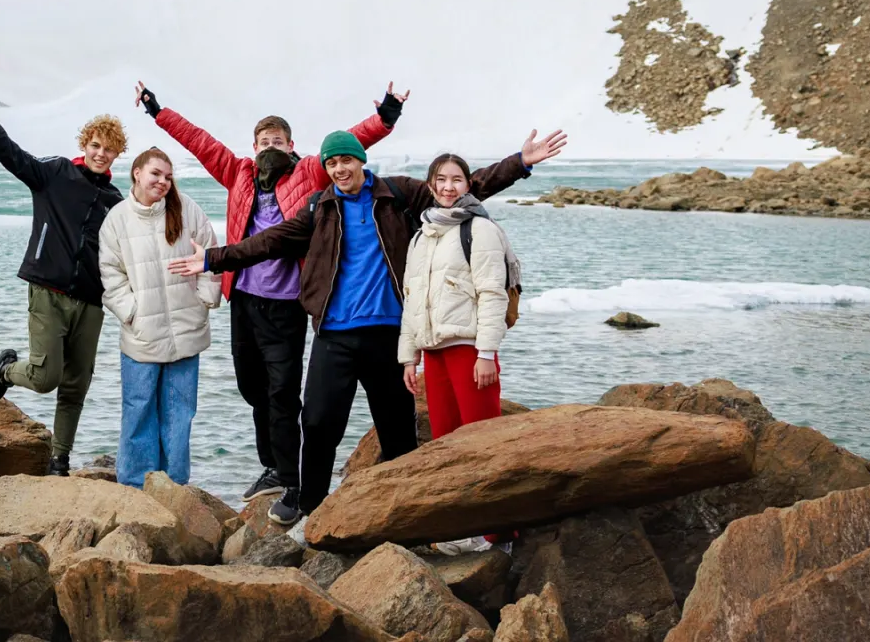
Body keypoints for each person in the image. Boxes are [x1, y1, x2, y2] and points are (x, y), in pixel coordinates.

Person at [171, 125, 566, 525]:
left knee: (396, 427)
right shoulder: (318, 208)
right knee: (319, 422)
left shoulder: (397, 195)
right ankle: (308, 503)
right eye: (332, 162)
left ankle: (409, 507)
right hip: (335, 335)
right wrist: (213, 259)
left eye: (346, 160)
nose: (340, 168)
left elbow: (460, 188)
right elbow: (268, 241)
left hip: (389, 334)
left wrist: (519, 164)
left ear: (361, 160)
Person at [135, 80, 407, 501]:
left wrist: (386, 115)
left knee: (283, 389)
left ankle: (287, 473)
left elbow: (349, 145)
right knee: (252, 387)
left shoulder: (309, 172)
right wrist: (158, 111)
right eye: (264, 141)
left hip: (287, 303)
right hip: (244, 299)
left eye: (277, 140)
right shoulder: (238, 172)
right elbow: (199, 141)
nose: (269, 146)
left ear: (291, 143)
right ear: (254, 146)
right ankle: (274, 465)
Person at [0, 82, 126, 476]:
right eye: (96, 146)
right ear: (85, 144)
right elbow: (14, 158)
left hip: (90, 301)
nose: (101, 154)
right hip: (48, 290)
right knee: (45, 377)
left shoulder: (115, 201)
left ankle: (60, 459)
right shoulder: (55, 173)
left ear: (117, 154)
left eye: (109, 149)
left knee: (76, 387)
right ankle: (6, 370)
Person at [398, 152, 522, 554]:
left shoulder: (480, 229)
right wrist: (409, 356)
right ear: (431, 185)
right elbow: (412, 299)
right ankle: (460, 529)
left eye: (457, 179)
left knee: (484, 445)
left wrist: (487, 352)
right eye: (441, 179)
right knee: (448, 447)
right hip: (434, 354)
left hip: (469, 350)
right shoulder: (422, 234)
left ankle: (499, 533)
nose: (449, 187)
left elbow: (490, 294)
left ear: (468, 185)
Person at [97, 147, 220, 487]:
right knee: (138, 411)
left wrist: (205, 300)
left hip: (186, 330)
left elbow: (210, 254)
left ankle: (174, 484)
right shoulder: (118, 219)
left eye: (168, 177)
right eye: (156, 174)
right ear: (137, 172)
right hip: (141, 334)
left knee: (179, 415)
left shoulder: (187, 210)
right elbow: (110, 273)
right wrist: (132, 312)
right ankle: (136, 484)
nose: (163, 181)